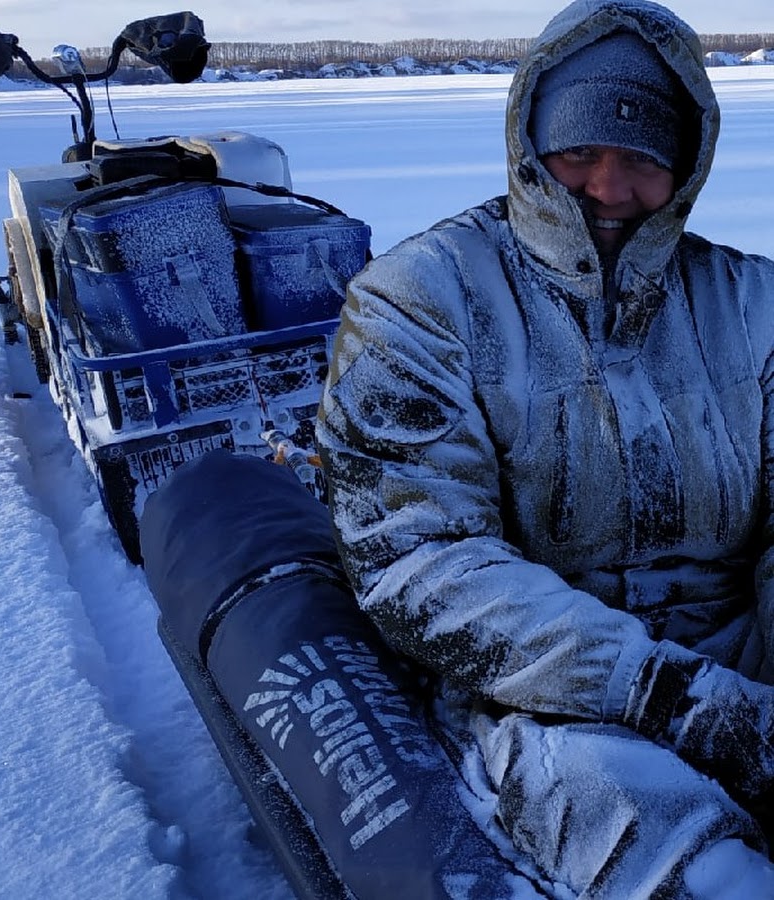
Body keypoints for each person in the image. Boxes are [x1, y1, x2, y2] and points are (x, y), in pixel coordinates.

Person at [316, 0, 774, 895]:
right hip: (537, 699)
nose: (609, 187)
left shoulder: (756, 307)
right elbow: (419, 561)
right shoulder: (418, 301)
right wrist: (663, 693)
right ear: (530, 147)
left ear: (686, 164)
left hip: (744, 662)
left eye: (643, 155)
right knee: (686, 863)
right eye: (579, 152)